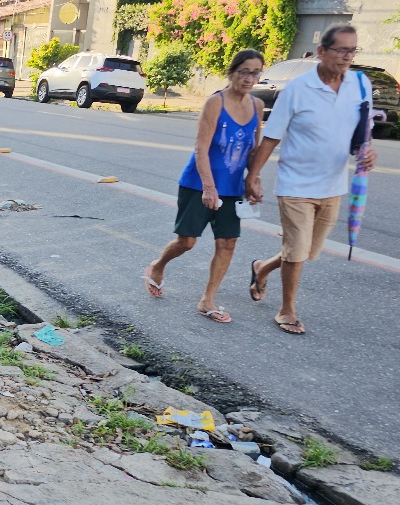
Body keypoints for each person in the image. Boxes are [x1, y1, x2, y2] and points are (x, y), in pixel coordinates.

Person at [245, 23, 377, 335]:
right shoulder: (298, 89)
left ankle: (262, 267)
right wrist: (253, 176)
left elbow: (364, 131)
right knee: (296, 251)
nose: (347, 57)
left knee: (306, 251)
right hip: (296, 184)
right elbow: (272, 136)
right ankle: (287, 310)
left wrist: (368, 151)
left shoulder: (360, 84)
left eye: (352, 50)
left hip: (333, 185)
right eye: (341, 50)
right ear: (321, 51)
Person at [143, 49, 266, 324]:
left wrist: (253, 180)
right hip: (198, 183)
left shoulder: (257, 106)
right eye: (244, 72)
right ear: (231, 73)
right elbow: (201, 148)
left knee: (228, 243)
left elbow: (252, 150)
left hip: (233, 189)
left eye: (255, 73)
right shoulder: (215, 103)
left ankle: (207, 300)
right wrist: (209, 188)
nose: (249, 78)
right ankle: (158, 266)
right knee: (187, 242)